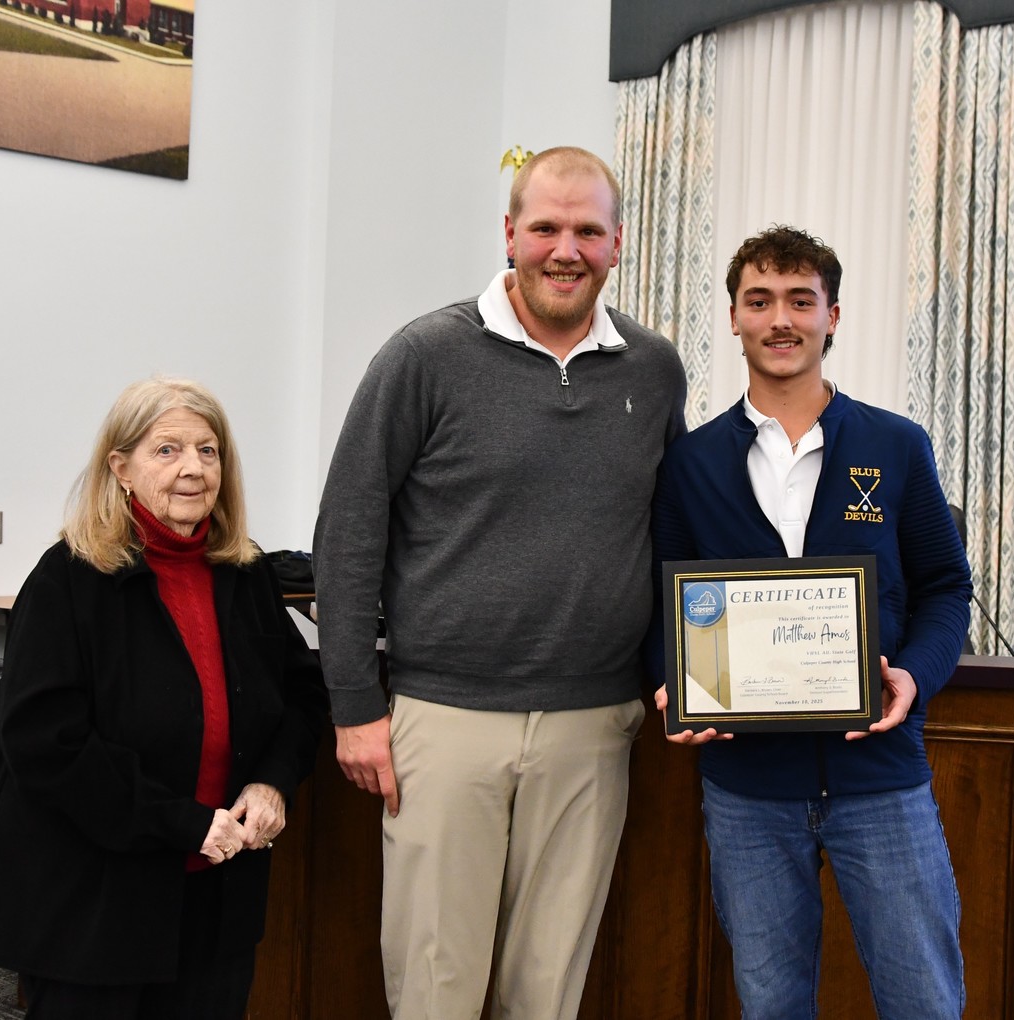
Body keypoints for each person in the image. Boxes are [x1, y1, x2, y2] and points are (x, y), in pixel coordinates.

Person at [313, 146, 687, 1019]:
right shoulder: (425, 355)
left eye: (588, 230)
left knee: (547, 992)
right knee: (435, 989)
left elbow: (674, 531)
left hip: (594, 725)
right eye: (547, 227)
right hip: (443, 722)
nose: (567, 249)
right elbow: (348, 531)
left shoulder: (654, 368)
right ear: (510, 232)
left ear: (618, 243)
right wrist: (353, 705)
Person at [649, 226, 971, 1019]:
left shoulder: (896, 446)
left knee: (924, 998)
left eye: (801, 300)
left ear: (833, 316)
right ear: (733, 318)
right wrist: (668, 684)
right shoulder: (690, 466)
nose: (781, 318)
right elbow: (664, 603)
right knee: (770, 1005)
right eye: (760, 301)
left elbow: (945, 590)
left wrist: (913, 676)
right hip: (747, 791)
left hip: (882, 780)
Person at [0, 378, 327, 1019]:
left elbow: (301, 692)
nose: (193, 469)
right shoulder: (68, 577)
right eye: (167, 450)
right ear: (119, 467)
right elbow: (46, 744)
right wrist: (183, 823)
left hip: (216, 903)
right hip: (94, 908)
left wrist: (271, 783)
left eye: (208, 451)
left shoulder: (246, 571)